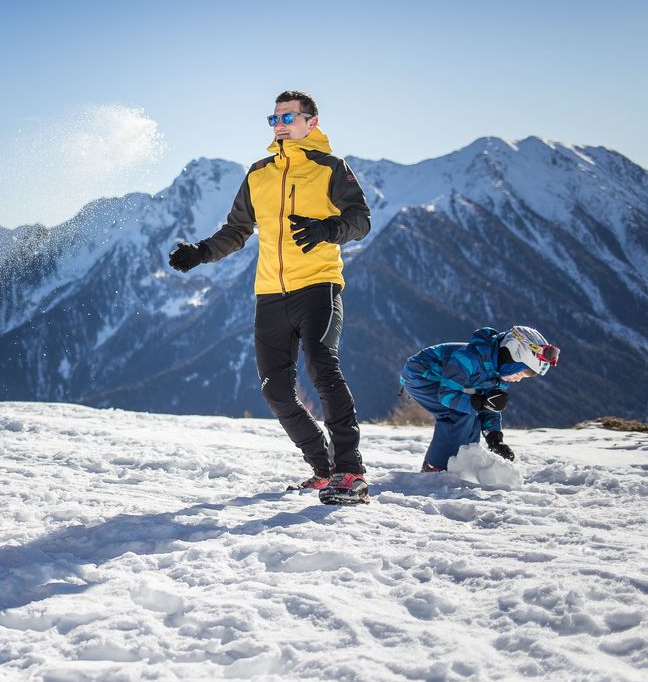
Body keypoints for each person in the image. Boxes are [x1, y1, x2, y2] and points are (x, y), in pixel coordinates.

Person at [168, 90, 372, 505]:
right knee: (276, 390)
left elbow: (360, 221)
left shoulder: (330, 168)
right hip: (269, 295)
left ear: (311, 122)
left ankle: (350, 471)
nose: (279, 125)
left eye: (288, 117)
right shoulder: (258, 173)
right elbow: (237, 231)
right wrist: (201, 253)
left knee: (322, 367)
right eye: (274, 118)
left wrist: (327, 230)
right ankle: (323, 469)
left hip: (318, 284)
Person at [400, 325, 559, 471]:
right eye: (519, 373)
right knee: (458, 413)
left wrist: (494, 438)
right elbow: (447, 395)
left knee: (472, 416)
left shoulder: (499, 375)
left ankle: (461, 462)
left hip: (441, 381)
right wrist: (480, 403)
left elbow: (489, 407)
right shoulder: (468, 359)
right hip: (419, 376)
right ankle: (435, 467)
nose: (518, 379)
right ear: (510, 357)